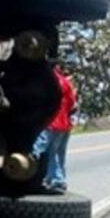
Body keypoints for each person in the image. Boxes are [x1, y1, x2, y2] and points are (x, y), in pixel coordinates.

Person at [32, 63, 77, 192]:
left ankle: (53, 179)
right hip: (64, 124)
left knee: (36, 150)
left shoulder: (46, 80)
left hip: (50, 123)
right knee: (56, 153)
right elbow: (73, 106)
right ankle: (56, 178)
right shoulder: (66, 83)